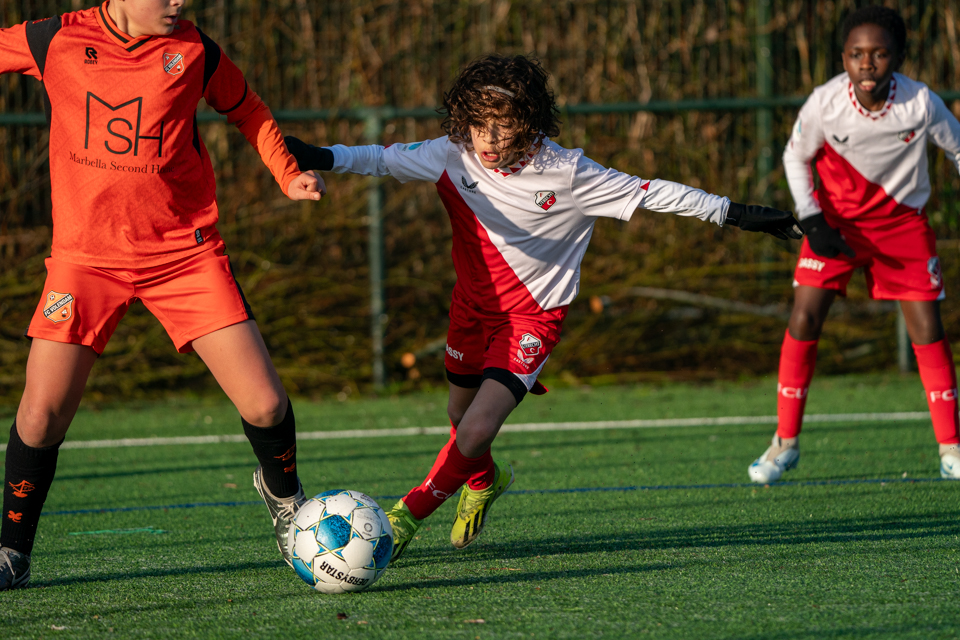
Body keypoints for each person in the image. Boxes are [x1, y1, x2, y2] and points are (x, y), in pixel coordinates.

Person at [285, 54, 803, 561]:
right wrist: (317, 155)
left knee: (477, 428)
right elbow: (379, 157)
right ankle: (485, 480)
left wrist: (736, 214)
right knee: (458, 417)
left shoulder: (570, 172)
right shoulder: (451, 153)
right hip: (469, 308)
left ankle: (406, 516)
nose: (487, 138)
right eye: (477, 123)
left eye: (502, 124)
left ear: (530, 123)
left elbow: (652, 193)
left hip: (533, 318)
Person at [0, 0, 325, 590]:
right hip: (85, 262)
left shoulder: (196, 52)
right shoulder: (55, 39)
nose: (180, 3)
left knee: (266, 407)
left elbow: (247, 109)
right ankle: (11, 552)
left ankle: (285, 502)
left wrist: (287, 174)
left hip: (184, 256)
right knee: (40, 414)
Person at [748, 6, 960, 484]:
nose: (868, 64)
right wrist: (813, 220)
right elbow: (794, 156)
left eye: (880, 53)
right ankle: (784, 443)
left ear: (898, 57)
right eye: (857, 54)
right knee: (804, 315)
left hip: (903, 227)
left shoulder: (921, 102)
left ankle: (951, 448)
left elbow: (958, 146)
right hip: (836, 225)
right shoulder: (824, 103)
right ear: (843, 58)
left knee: (927, 326)